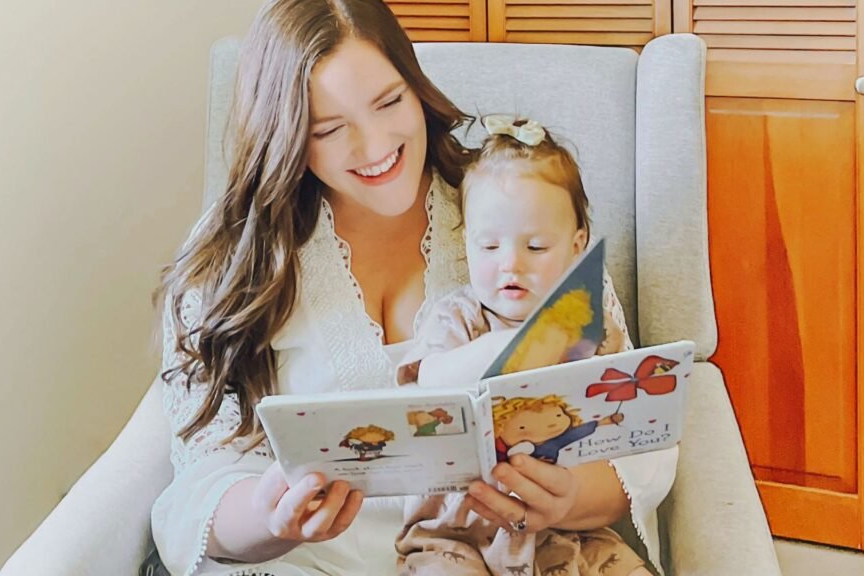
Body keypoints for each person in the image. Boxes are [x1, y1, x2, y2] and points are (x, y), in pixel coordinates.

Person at [150, 1, 677, 575]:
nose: (375, 146)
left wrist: (568, 499)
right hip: (309, 563)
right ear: (286, 137)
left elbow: (634, 433)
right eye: (329, 129)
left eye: (389, 102)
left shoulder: (514, 209)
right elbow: (200, 470)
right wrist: (269, 518)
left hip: (511, 550)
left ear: (417, 88)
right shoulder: (239, 258)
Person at [393, 117, 652, 576]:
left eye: (535, 247)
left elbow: (624, 420)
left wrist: (605, 351)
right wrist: (519, 342)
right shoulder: (456, 316)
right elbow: (428, 381)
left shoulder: (589, 326)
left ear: (576, 247)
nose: (510, 263)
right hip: (454, 533)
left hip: (566, 529)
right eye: (489, 246)